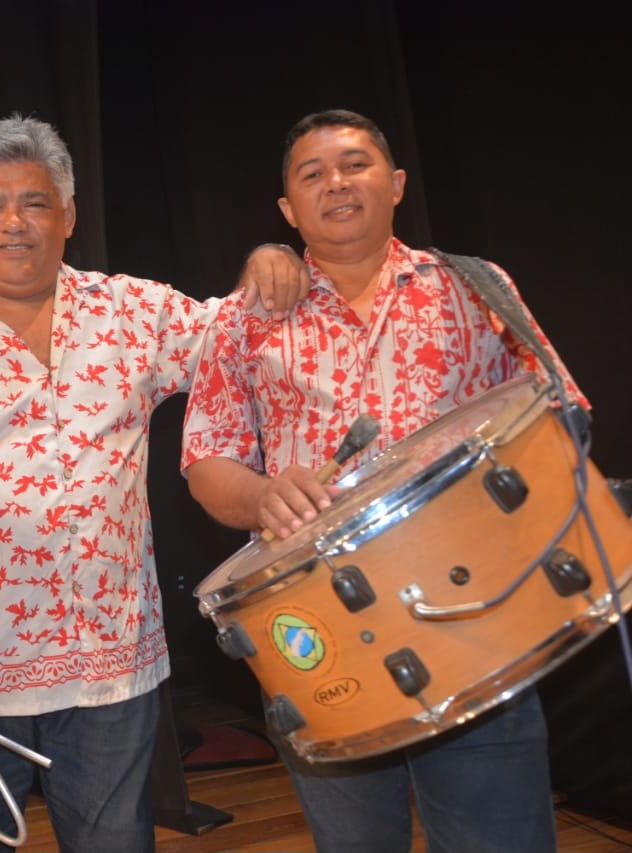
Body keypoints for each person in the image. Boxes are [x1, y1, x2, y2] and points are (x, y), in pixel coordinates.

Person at [0, 114, 307, 853]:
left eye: (36, 203)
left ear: (68, 216)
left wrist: (268, 257)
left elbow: (237, 334)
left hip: (111, 673)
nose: (15, 223)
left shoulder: (130, 311)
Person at [181, 108, 585, 853]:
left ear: (396, 183)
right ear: (287, 208)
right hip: (318, 642)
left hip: (474, 617)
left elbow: (561, 416)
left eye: (355, 164)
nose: (336, 183)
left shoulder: (475, 287)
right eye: (312, 174)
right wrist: (264, 493)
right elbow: (208, 464)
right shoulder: (244, 320)